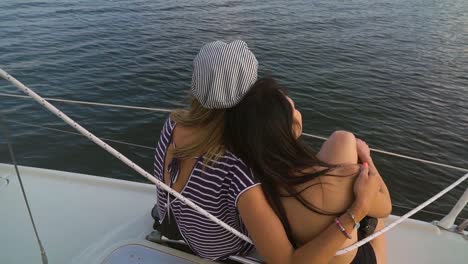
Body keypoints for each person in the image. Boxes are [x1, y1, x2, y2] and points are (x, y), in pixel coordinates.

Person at [153, 40, 384, 263]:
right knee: (365, 212)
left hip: (179, 230)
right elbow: (286, 262)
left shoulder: (173, 123)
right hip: (217, 251)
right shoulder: (238, 164)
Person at [224, 77, 392, 263]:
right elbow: (386, 206)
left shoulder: (250, 184)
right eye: (294, 109)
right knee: (376, 221)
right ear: (287, 128)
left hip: (305, 240)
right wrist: (366, 157)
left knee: (342, 139)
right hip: (354, 259)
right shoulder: (338, 180)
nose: (298, 112)